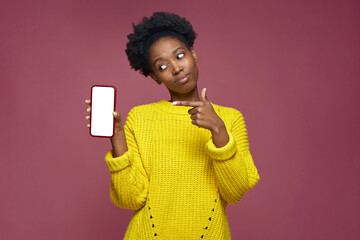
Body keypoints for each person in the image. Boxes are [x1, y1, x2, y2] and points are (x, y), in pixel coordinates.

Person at [85, 12, 259, 239]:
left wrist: (219, 131)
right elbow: (130, 198)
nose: (176, 68)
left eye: (179, 56)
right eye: (162, 67)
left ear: (193, 54)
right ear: (156, 77)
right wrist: (117, 136)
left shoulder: (230, 118)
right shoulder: (140, 118)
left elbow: (235, 192)